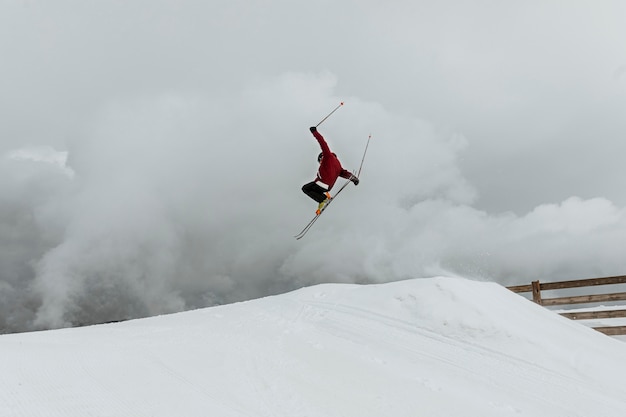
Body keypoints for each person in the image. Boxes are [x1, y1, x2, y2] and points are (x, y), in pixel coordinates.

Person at [302, 126, 359, 214]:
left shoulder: (327, 156)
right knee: (313, 188)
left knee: (305, 188)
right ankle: (324, 198)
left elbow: (323, 143)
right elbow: (344, 173)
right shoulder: (338, 165)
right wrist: (353, 178)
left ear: (321, 157)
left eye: (320, 160)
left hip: (322, 183)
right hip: (327, 187)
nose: (320, 162)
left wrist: (314, 132)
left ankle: (323, 199)